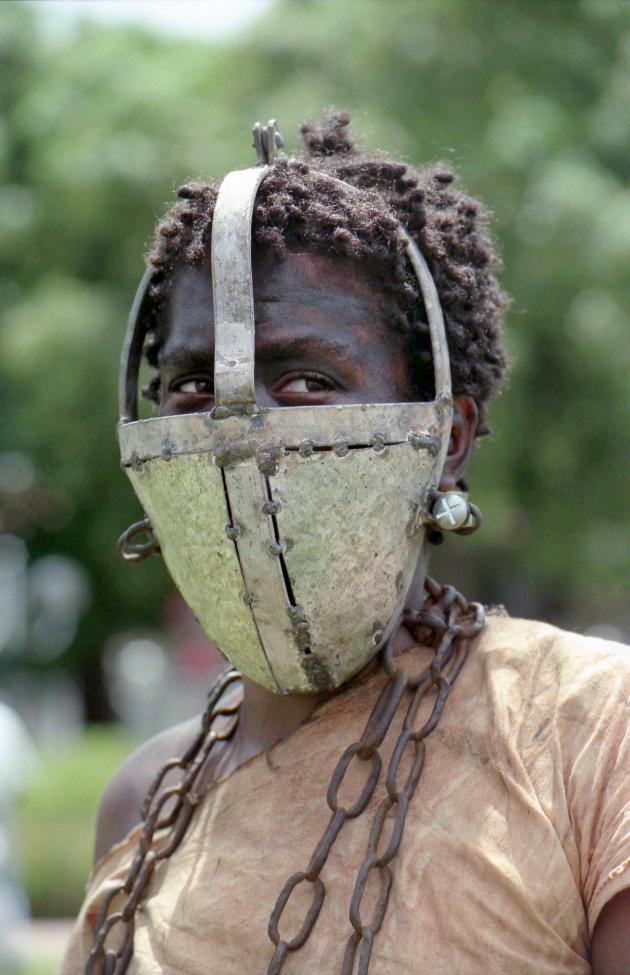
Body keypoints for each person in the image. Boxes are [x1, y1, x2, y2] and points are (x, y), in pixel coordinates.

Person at [61, 114, 629, 974]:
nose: (237, 433)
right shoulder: (146, 800)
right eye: (193, 385)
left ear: (446, 438)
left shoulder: (587, 729)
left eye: (308, 381)